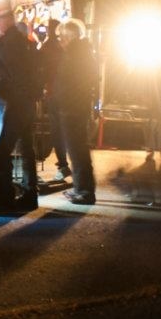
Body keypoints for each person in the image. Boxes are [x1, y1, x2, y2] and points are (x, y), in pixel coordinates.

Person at [0, 5, 40, 212]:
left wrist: (6, 95)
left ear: (7, 20)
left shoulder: (10, 43)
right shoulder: (22, 41)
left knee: (1, 151)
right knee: (26, 150)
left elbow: (12, 74)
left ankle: (5, 195)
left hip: (15, 103)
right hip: (26, 103)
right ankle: (29, 195)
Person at [52, 18, 98, 205]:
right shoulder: (82, 53)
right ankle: (80, 188)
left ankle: (85, 191)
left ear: (70, 36)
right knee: (77, 149)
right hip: (74, 107)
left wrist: (64, 100)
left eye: (62, 37)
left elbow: (71, 83)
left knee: (78, 150)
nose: (60, 41)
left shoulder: (75, 55)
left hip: (73, 109)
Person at [39, 17, 71, 182]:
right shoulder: (65, 48)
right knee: (65, 131)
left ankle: (63, 165)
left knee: (57, 130)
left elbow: (40, 69)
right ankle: (64, 164)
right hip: (66, 94)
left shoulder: (48, 47)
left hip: (54, 93)